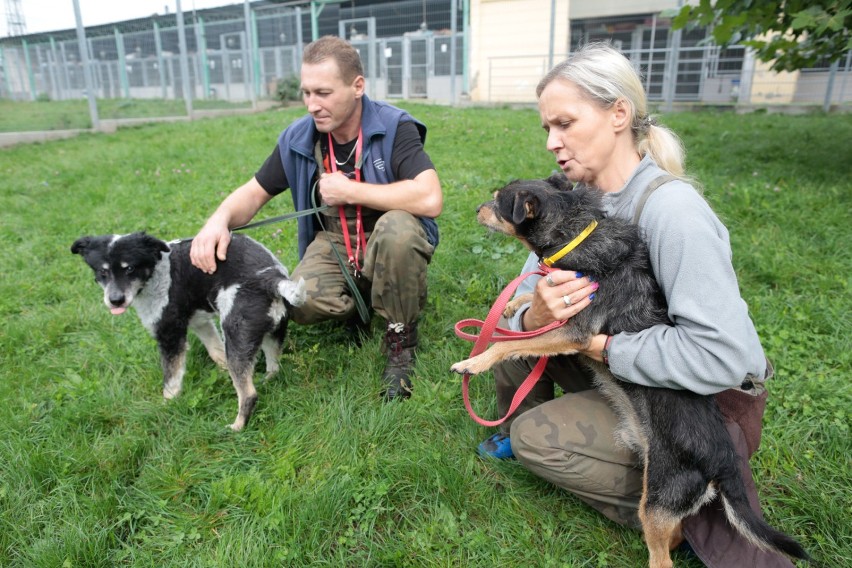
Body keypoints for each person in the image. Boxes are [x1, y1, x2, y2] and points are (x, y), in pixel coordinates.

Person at [477, 43, 792, 568]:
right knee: (515, 325)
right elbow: (514, 319)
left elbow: (726, 357)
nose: (553, 143)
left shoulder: (675, 214)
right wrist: (537, 315)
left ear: (618, 114)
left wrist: (601, 345)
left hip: (703, 406)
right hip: (636, 375)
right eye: (546, 129)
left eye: (565, 123)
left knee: (538, 441)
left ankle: (683, 510)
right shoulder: (574, 202)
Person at [190, 36, 443, 401]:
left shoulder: (393, 126)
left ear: (358, 87)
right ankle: (362, 302)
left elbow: (430, 197)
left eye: (323, 93)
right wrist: (218, 220)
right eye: (306, 93)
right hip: (338, 239)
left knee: (397, 232)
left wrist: (351, 191)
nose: (312, 105)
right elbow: (254, 192)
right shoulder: (299, 137)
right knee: (300, 301)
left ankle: (400, 340)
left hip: (391, 230)